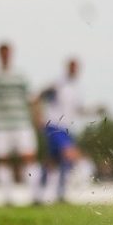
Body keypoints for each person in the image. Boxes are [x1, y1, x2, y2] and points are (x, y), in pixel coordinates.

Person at [0, 42, 38, 204]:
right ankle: (7, 198)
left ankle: (35, 196)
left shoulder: (20, 76)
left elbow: (31, 98)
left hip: (21, 123)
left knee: (28, 157)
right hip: (0, 125)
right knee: (2, 159)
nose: (5, 56)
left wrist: (37, 116)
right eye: (2, 53)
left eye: (7, 53)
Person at [37, 57, 87, 203]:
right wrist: (37, 115)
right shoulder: (58, 84)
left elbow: (78, 109)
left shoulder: (76, 88)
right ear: (67, 68)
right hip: (54, 125)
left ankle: (41, 192)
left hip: (66, 127)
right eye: (72, 67)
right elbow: (39, 96)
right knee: (70, 154)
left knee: (53, 161)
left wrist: (94, 111)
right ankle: (60, 192)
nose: (74, 70)